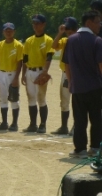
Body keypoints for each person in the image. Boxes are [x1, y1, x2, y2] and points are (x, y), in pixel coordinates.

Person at [63, 10, 102, 158]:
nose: (100, 25)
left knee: (79, 120)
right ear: (88, 22)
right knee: (96, 119)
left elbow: (66, 64)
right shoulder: (97, 41)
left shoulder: (71, 40)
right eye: (97, 22)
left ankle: (80, 149)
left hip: (78, 87)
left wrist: (72, 81)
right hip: (95, 87)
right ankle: (95, 147)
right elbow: (101, 65)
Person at [21, 14, 54, 134]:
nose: (35, 25)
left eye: (38, 23)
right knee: (31, 98)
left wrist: (45, 72)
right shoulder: (29, 40)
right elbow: (25, 58)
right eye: (34, 23)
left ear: (44, 24)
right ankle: (33, 124)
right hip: (30, 71)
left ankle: (43, 125)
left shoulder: (48, 40)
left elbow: (49, 57)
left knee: (41, 99)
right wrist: (23, 74)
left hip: (41, 71)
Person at [0, 22, 23, 131]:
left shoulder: (18, 45)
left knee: (14, 98)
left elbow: (20, 62)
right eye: (6, 30)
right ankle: (4, 123)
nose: (8, 32)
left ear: (14, 32)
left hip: (13, 73)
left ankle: (14, 123)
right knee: (3, 98)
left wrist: (16, 78)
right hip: (1, 74)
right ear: (3, 32)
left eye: (10, 30)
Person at [51, 17, 78, 135]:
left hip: (77, 75)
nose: (68, 31)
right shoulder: (65, 41)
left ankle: (76, 126)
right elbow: (54, 45)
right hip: (64, 74)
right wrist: (60, 33)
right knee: (64, 101)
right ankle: (64, 127)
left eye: (70, 28)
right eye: (66, 29)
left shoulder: (79, 40)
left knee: (77, 101)